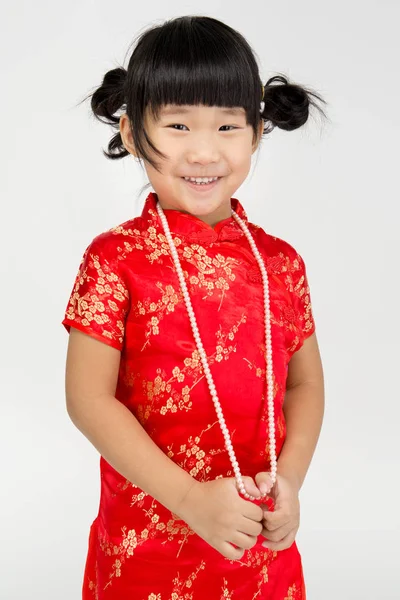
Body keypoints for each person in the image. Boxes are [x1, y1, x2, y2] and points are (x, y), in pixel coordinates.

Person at [62, 14, 326, 600]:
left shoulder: (279, 263)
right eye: (178, 124)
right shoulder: (116, 260)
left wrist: (292, 480)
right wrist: (186, 499)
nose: (203, 151)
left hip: (258, 543)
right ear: (132, 133)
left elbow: (304, 385)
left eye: (228, 126)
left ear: (257, 133)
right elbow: (87, 398)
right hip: (146, 541)